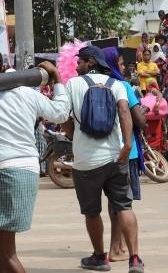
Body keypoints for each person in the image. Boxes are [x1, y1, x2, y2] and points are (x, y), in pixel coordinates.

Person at [0, 49, 69, 273]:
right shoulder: (25, 93)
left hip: (6, 173)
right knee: (0, 242)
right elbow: (60, 112)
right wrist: (57, 79)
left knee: (7, 253)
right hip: (25, 170)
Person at [66, 46, 143, 273]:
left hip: (86, 161)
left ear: (90, 62)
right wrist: (127, 144)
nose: (77, 65)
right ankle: (135, 259)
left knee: (92, 212)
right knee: (124, 206)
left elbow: (63, 117)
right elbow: (125, 112)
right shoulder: (116, 84)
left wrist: (74, 136)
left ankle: (100, 258)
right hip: (115, 157)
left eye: (79, 61)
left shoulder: (73, 84)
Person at [101, 47, 148, 263]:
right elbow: (139, 120)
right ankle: (115, 248)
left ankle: (116, 245)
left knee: (114, 203)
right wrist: (142, 111)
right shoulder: (124, 86)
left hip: (106, 152)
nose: (122, 67)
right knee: (123, 204)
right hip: (127, 152)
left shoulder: (99, 85)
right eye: (120, 63)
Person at [140, 83, 167, 152]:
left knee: (147, 147)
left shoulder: (144, 99)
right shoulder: (159, 100)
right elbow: (163, 120)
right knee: (157, 149)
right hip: (157, 127)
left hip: (147, 127)